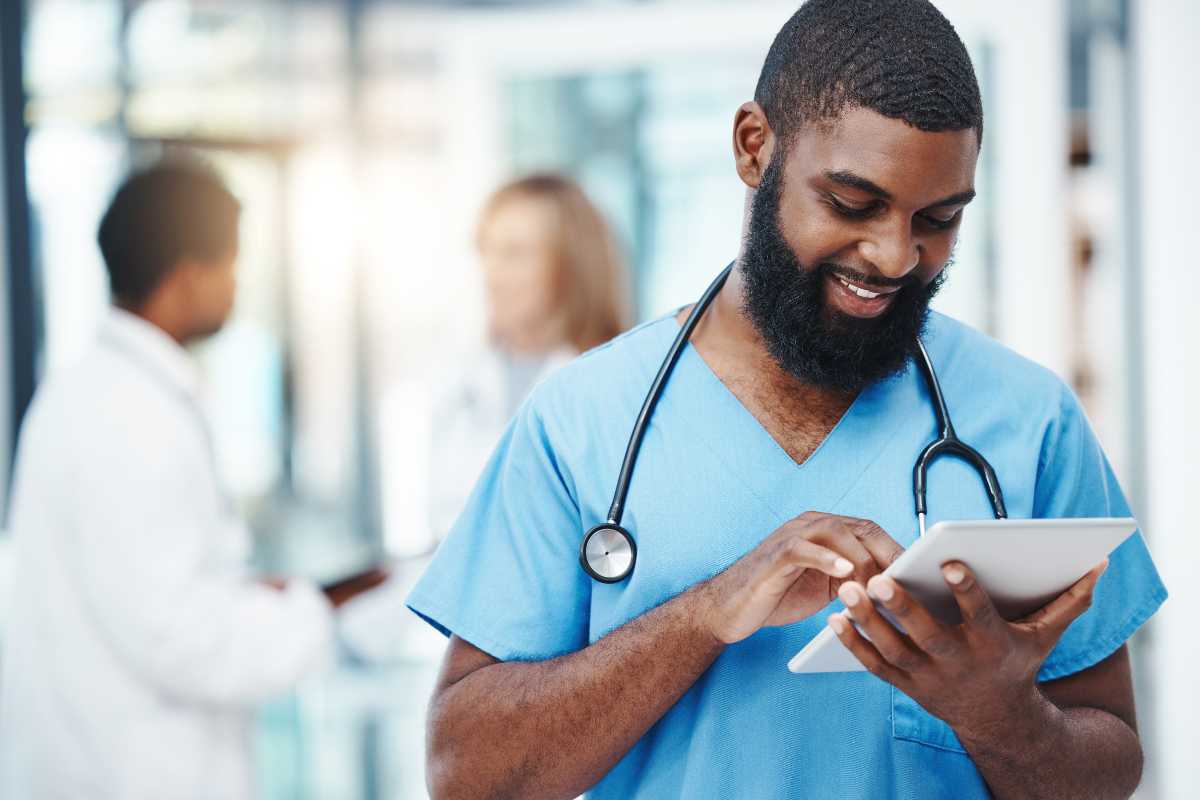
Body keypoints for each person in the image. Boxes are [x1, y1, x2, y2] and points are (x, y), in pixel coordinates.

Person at [406, 2, 1166, 798]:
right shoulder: (581, 422)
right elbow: (465, 774)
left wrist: (997, 713)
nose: (894, 255)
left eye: (938, 219)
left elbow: (1109, 770)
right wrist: (703, 615)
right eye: (852, 203)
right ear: (753, 146)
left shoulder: (1031, 422)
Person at [0, 161, 386, 799]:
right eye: (230, 265)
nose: (235, 286)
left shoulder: (99, 392)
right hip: (127, 776)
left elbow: (144, 584)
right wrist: (314, 618)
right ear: (188, 274)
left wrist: (247, 595)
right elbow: (175, 636)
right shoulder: (127, 417)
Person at [427, 173, 631, 540]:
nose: (491, 275)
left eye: (514, 254)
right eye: (485, 251)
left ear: (571, 266)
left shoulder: (616, 391)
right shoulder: (462, 379)